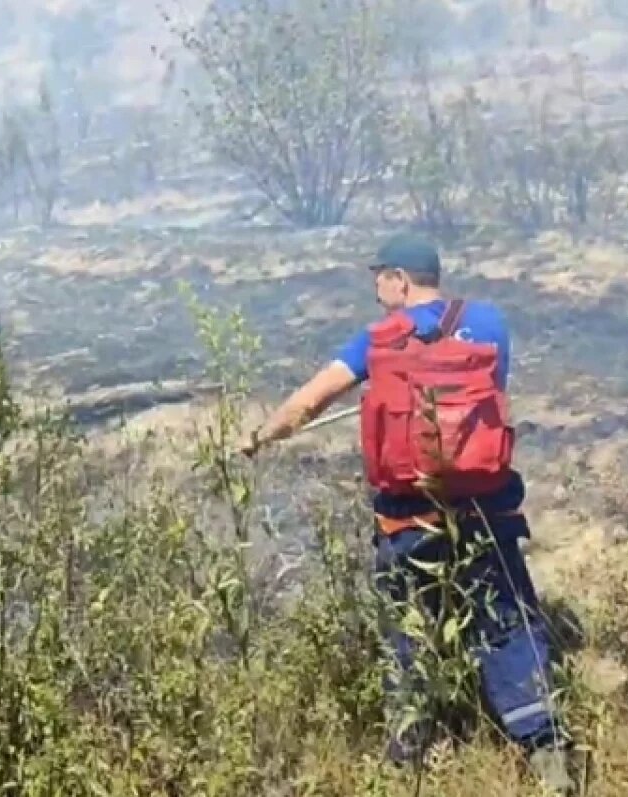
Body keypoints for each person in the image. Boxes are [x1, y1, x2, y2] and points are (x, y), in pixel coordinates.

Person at [239, 233, 575, 793]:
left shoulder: (375, 340)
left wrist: (259, 436)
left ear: (400, 278)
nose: (375, 289)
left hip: (407, 517)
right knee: (507, 622)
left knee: (408, 632)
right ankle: (547, 755)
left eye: (379, 277)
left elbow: (310, 400)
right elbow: (490, 397)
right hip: (486, 509)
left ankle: (410, 755)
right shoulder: (488, 322)